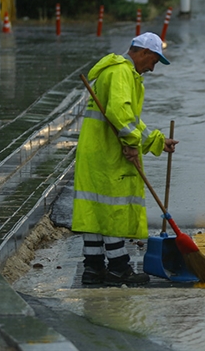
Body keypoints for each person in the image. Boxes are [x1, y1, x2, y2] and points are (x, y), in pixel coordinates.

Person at [73, 32, 178, 286]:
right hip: (109, 154)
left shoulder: (119, 72)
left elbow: (130, 120)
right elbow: (120, 114)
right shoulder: (121, 72)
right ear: (143, 53)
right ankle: (119, 268)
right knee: (113, 211)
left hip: (96, 152)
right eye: (153, 61)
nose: (152, 68)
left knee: (96, 211)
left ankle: (93, 269)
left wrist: (156, 141)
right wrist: (131, 144)